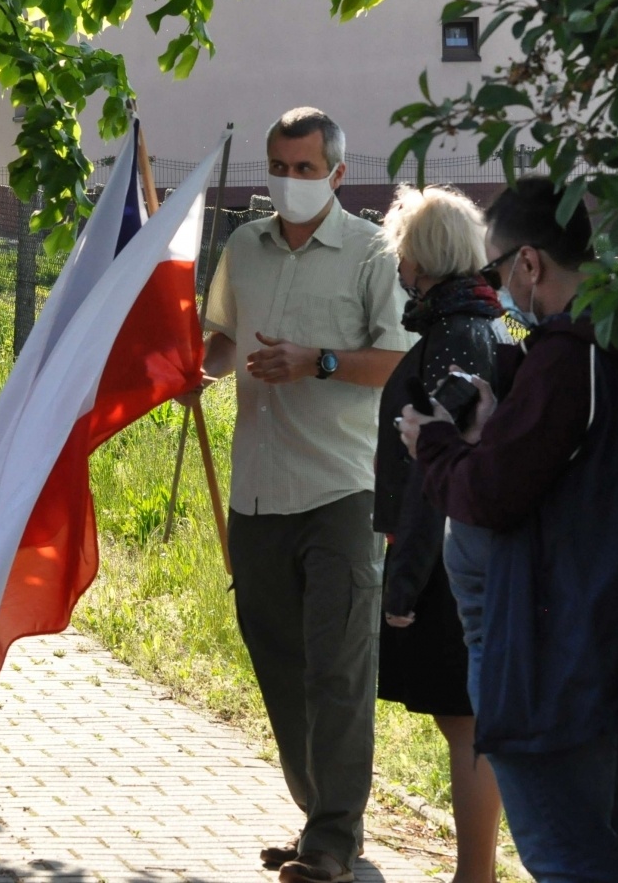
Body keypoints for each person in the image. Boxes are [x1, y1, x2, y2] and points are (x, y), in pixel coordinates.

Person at [397, 177, 618, 883]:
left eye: (498, 270)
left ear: (530, 263)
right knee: (598, 839)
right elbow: (576, 467)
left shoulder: (570, 358)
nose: (498, 289)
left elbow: (495, 493)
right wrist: (498, 425)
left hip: (550, 650)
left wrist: (437, 445)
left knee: (566, 854)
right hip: (602, 633)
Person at [198, 107, 413, 883]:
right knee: (280, 661)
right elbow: (221, 341)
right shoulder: (242, 248)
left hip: (343, 491)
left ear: (337, 174)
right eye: (279, 168)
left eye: (305, 168)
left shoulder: (370, 252)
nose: (291, 182)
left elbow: (398, 359)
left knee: (339, 667)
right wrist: (192, 370)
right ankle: (318, 813)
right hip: (257, 493)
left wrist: (318, 360)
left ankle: (331, 840)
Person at [374, 185, 504, 883]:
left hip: (447, 562)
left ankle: (473, 874)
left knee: (466, 720)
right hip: (458, 551)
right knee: (464, 718)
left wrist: (404, 581)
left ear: (422, 258)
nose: (398, 268)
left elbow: (435, 468)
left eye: (402, 253)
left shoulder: (454, 335)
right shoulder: (476, 320)